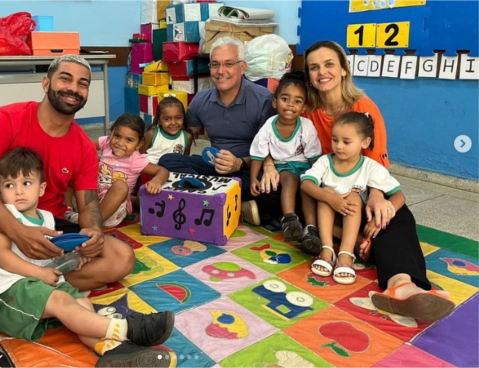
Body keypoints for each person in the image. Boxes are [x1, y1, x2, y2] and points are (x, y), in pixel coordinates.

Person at [0, 55, 136, 367]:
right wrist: (17, 232)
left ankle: (9, 293)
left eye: (83, 83)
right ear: (46, 83)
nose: (74, 88)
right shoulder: (7, 118)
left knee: (121, 256)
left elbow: (89, 204)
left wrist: (94, 231)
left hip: (48, 230)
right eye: (65, 78)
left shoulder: (82, 145)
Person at [261, 41, 454, 321]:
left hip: (361, 187)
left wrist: (376, 196)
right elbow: (274, 139)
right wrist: (268, 163)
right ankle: (350, 239)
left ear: (342, 70)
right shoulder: (304, 108)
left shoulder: (365, 109)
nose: (321, 72)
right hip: (320, 188)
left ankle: (402, 285)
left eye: (329, 64)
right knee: (279, 190)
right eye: (314, 67)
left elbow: (376, 168)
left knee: (393, 216)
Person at [0, 147, 175, 367]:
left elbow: (50, 254)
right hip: (7, 293)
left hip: (40, 286)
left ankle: (113, 350)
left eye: (26, 183)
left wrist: (73, 258)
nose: (18, 191)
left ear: (41, 188)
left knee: (82, 304)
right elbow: (1, 256)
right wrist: (40, 273)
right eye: (9, 185)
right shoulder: (5, 215)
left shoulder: (46, 218)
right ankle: (128, 329)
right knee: (62, 300)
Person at [158, 36, 276, 226]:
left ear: (242, 67)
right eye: (215, 65)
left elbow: (273, 150)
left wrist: (239, 163)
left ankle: (212, 200)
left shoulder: (264, 100)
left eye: (229, 64)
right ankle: (235, 204)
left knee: (274, 186)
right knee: (166, 162)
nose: (221, 71)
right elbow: (186, 134)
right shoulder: (201, 100)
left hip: (249, 170)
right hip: (214, 169)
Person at [301, 113, 403, 285]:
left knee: (354, 197)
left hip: (355, 219)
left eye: (346, 142)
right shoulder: (325, 161)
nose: (339, 146)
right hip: (327, 218)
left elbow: (399, 195)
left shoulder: (370, 167)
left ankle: (346, 254)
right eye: (335, 140)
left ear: (365, 142)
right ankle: (327, 250)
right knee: (327, 191)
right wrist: (330, 198)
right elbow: (306, 184)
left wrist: (383, 215)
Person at [249, 71, 322, 250]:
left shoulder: (307, 126)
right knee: (289, 179)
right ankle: (290, 220)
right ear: (275, 102)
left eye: (297, 101)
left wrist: (320, 181)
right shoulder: (269, 126)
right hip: (283, 168)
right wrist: (253, 179)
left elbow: (314, 158)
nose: (290, 105)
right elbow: (258, 153)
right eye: (285, 99)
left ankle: (311, 229)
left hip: (305, 166)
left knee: (308, 187)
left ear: (304, 107)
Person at [94, 113, 169, 227]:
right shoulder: (106, 142)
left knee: (120, 186)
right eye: (117, 136)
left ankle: (93, 225)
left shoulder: (136, 159)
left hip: (114, 210)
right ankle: (67, 212)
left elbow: (163, 171)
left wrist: (156, 181)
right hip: (92, 199)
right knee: (70, 169)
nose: (120, 143)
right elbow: (82, 148)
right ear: (111, 134)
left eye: (129, 140)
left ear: (139, 144)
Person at [141, 96, 193, 164]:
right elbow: (139, 155)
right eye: (167, 119)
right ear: (159, 120)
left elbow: (185, 160)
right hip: (151, 171)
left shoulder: (187, 137)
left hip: (173, 171)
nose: (173, 123)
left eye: (178, 118)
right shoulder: (152, 134)